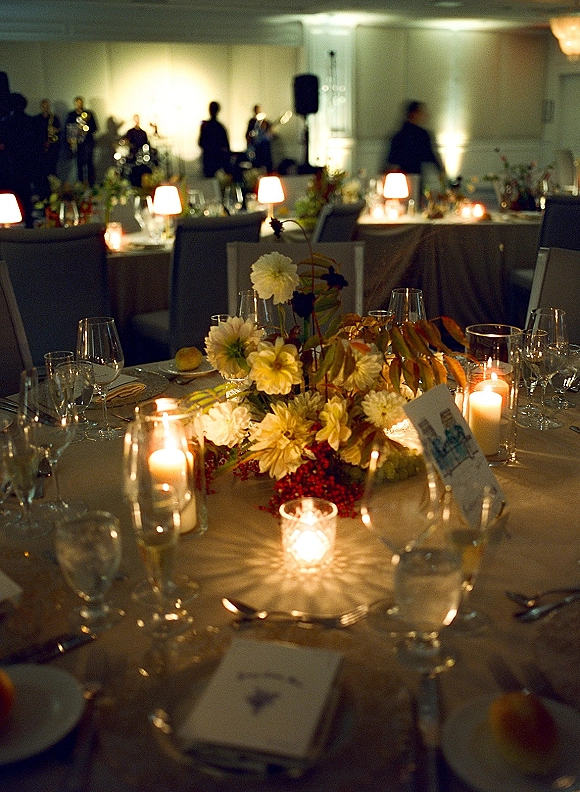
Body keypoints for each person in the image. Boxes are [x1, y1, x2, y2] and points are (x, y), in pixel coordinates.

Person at [385, 101, 443, 178]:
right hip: (417, 176)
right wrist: (442, 172)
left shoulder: (398, 135)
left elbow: (391, 160)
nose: (424, 116)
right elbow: (431, 157)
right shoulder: (422, 134)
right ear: (414, 114)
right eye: (421, 113)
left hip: (401, 178)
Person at [66, 96, 98, 185]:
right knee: (79, 164)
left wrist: (86, 129)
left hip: (88, 142)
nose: (79, 105)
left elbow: (95, 128)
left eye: (80, 103)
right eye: (77, 103)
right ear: (75, 104)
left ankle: (91, 184)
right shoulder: (71, 115)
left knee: (89, 163)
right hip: (77, 143)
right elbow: (68, 129)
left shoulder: (89, 114)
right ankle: (80, 184)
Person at [198, 101, 230, 178]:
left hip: (209, 161)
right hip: (217, 161)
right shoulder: (220, 127)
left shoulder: (206, 126)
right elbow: (226, 146)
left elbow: (200, 142)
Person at [34, 99, 61, 193]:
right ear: (42, 107)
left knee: (53, 168)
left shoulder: (54, 118)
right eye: (45, 106)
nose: (46, 107)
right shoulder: (37, 119)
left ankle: (55, 189)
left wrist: (55, 130)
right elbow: (35, 133)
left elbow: (59, 131)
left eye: (48, 106)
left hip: (52, 147)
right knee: (42, 170)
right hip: (41, 148)